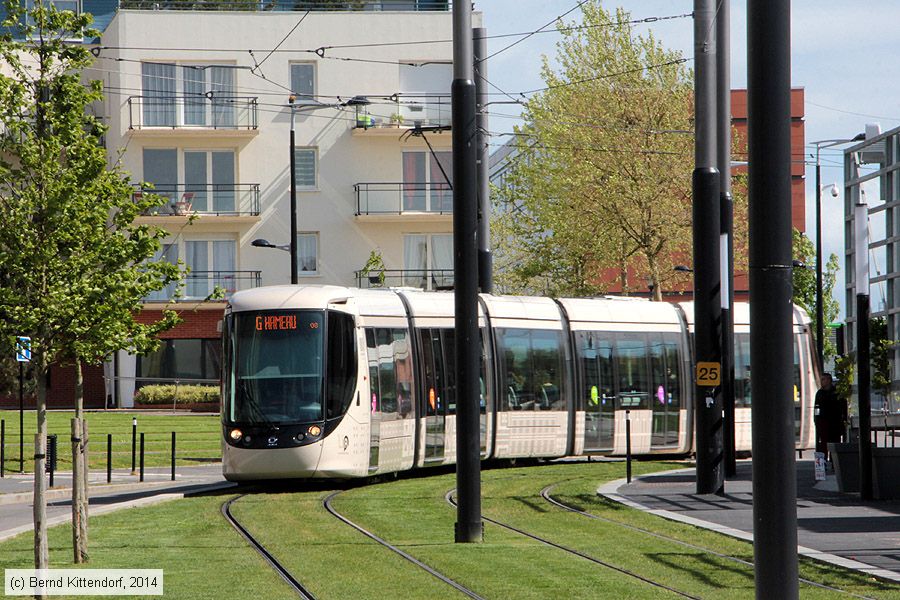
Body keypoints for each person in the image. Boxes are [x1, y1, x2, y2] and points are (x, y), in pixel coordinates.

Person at [814, 373, 846, 456]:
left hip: (835, 422)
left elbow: (843, 407)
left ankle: (834, 462)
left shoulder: (837, 393)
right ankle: (823, 464)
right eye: (821, 380)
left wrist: (843, 419)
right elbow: (817, 408)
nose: (821, 382)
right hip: (823, 422)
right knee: (823, 444)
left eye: (823, 379)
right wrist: (817, 420)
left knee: (835, 443)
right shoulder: (820, 393)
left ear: (829, 380)